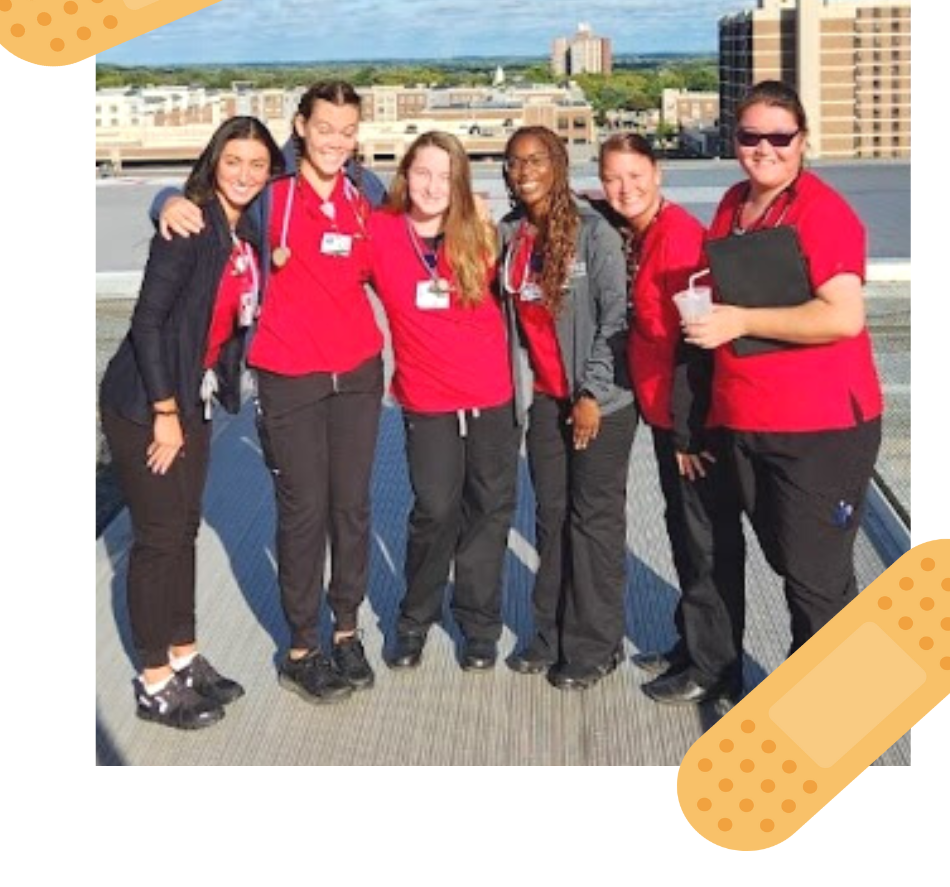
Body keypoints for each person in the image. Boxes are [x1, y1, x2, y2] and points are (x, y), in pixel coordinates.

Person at [157, 81, 388, 704]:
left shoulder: (366, 193)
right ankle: (302, 647)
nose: (336, 141)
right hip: (289, 376)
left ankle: (346, 631)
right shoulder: (272, 194)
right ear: (301, 127)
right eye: (324, 129)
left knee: (353, 507)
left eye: (347, 130)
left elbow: (419, 232)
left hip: (361, 373)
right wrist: (162, 201)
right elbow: (205, 199)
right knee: (304, 511)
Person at [682, 79, 883, 657]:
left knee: (816, 579)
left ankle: (830, 725)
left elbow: (843, 317)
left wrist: (740, 322)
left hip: (820, 428)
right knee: (787, 558)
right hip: (749, 417)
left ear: (802, 140)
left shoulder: (824, 213)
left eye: (779, 136)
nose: (764, 148)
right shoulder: (732, 204)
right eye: (751, 136)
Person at [100, 116, 284, 729]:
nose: (245, 174)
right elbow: (147, 324)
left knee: (182, 532)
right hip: (148, 403)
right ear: (213, 161)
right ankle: (154, 683)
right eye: (233, 161)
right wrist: (165, 414)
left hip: (193, 396)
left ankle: (184, 656)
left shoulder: (246, 229)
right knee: (157, 540)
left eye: (257, 165)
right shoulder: (190, 227)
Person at [597, 133, 745, 705]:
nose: (624, 188)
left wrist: (689, 431)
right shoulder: (638, 232)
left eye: (635, 175)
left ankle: (716, 668)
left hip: (692, 423)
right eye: (613, 178)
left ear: (658, 174)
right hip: (664, 414)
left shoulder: (681, 240)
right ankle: (693, 643)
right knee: (685, 535)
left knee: (707, 543)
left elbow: (698, 345)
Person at [367, 131, 520, 671]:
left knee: (487, 510)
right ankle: (414, 617)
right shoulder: (380, 233)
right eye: (423, 173)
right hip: (425, 398)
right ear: (405, 175)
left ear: (459, 183)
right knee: (434, 509)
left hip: (490, 395)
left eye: (444, 176)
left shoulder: (481, 232)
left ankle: (479, 623)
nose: (432, 186)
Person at [499, 125, 637, 691]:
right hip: (549, 402)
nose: (524, 170)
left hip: (599, 404)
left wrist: (591, 396)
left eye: (536, 159)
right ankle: (550, 633)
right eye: (514, 162)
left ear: (557, 163)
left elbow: (616, 320)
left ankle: (596, 645)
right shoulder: (510, 234)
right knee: (551, 519)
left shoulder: (593, 233)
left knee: (593, 523)